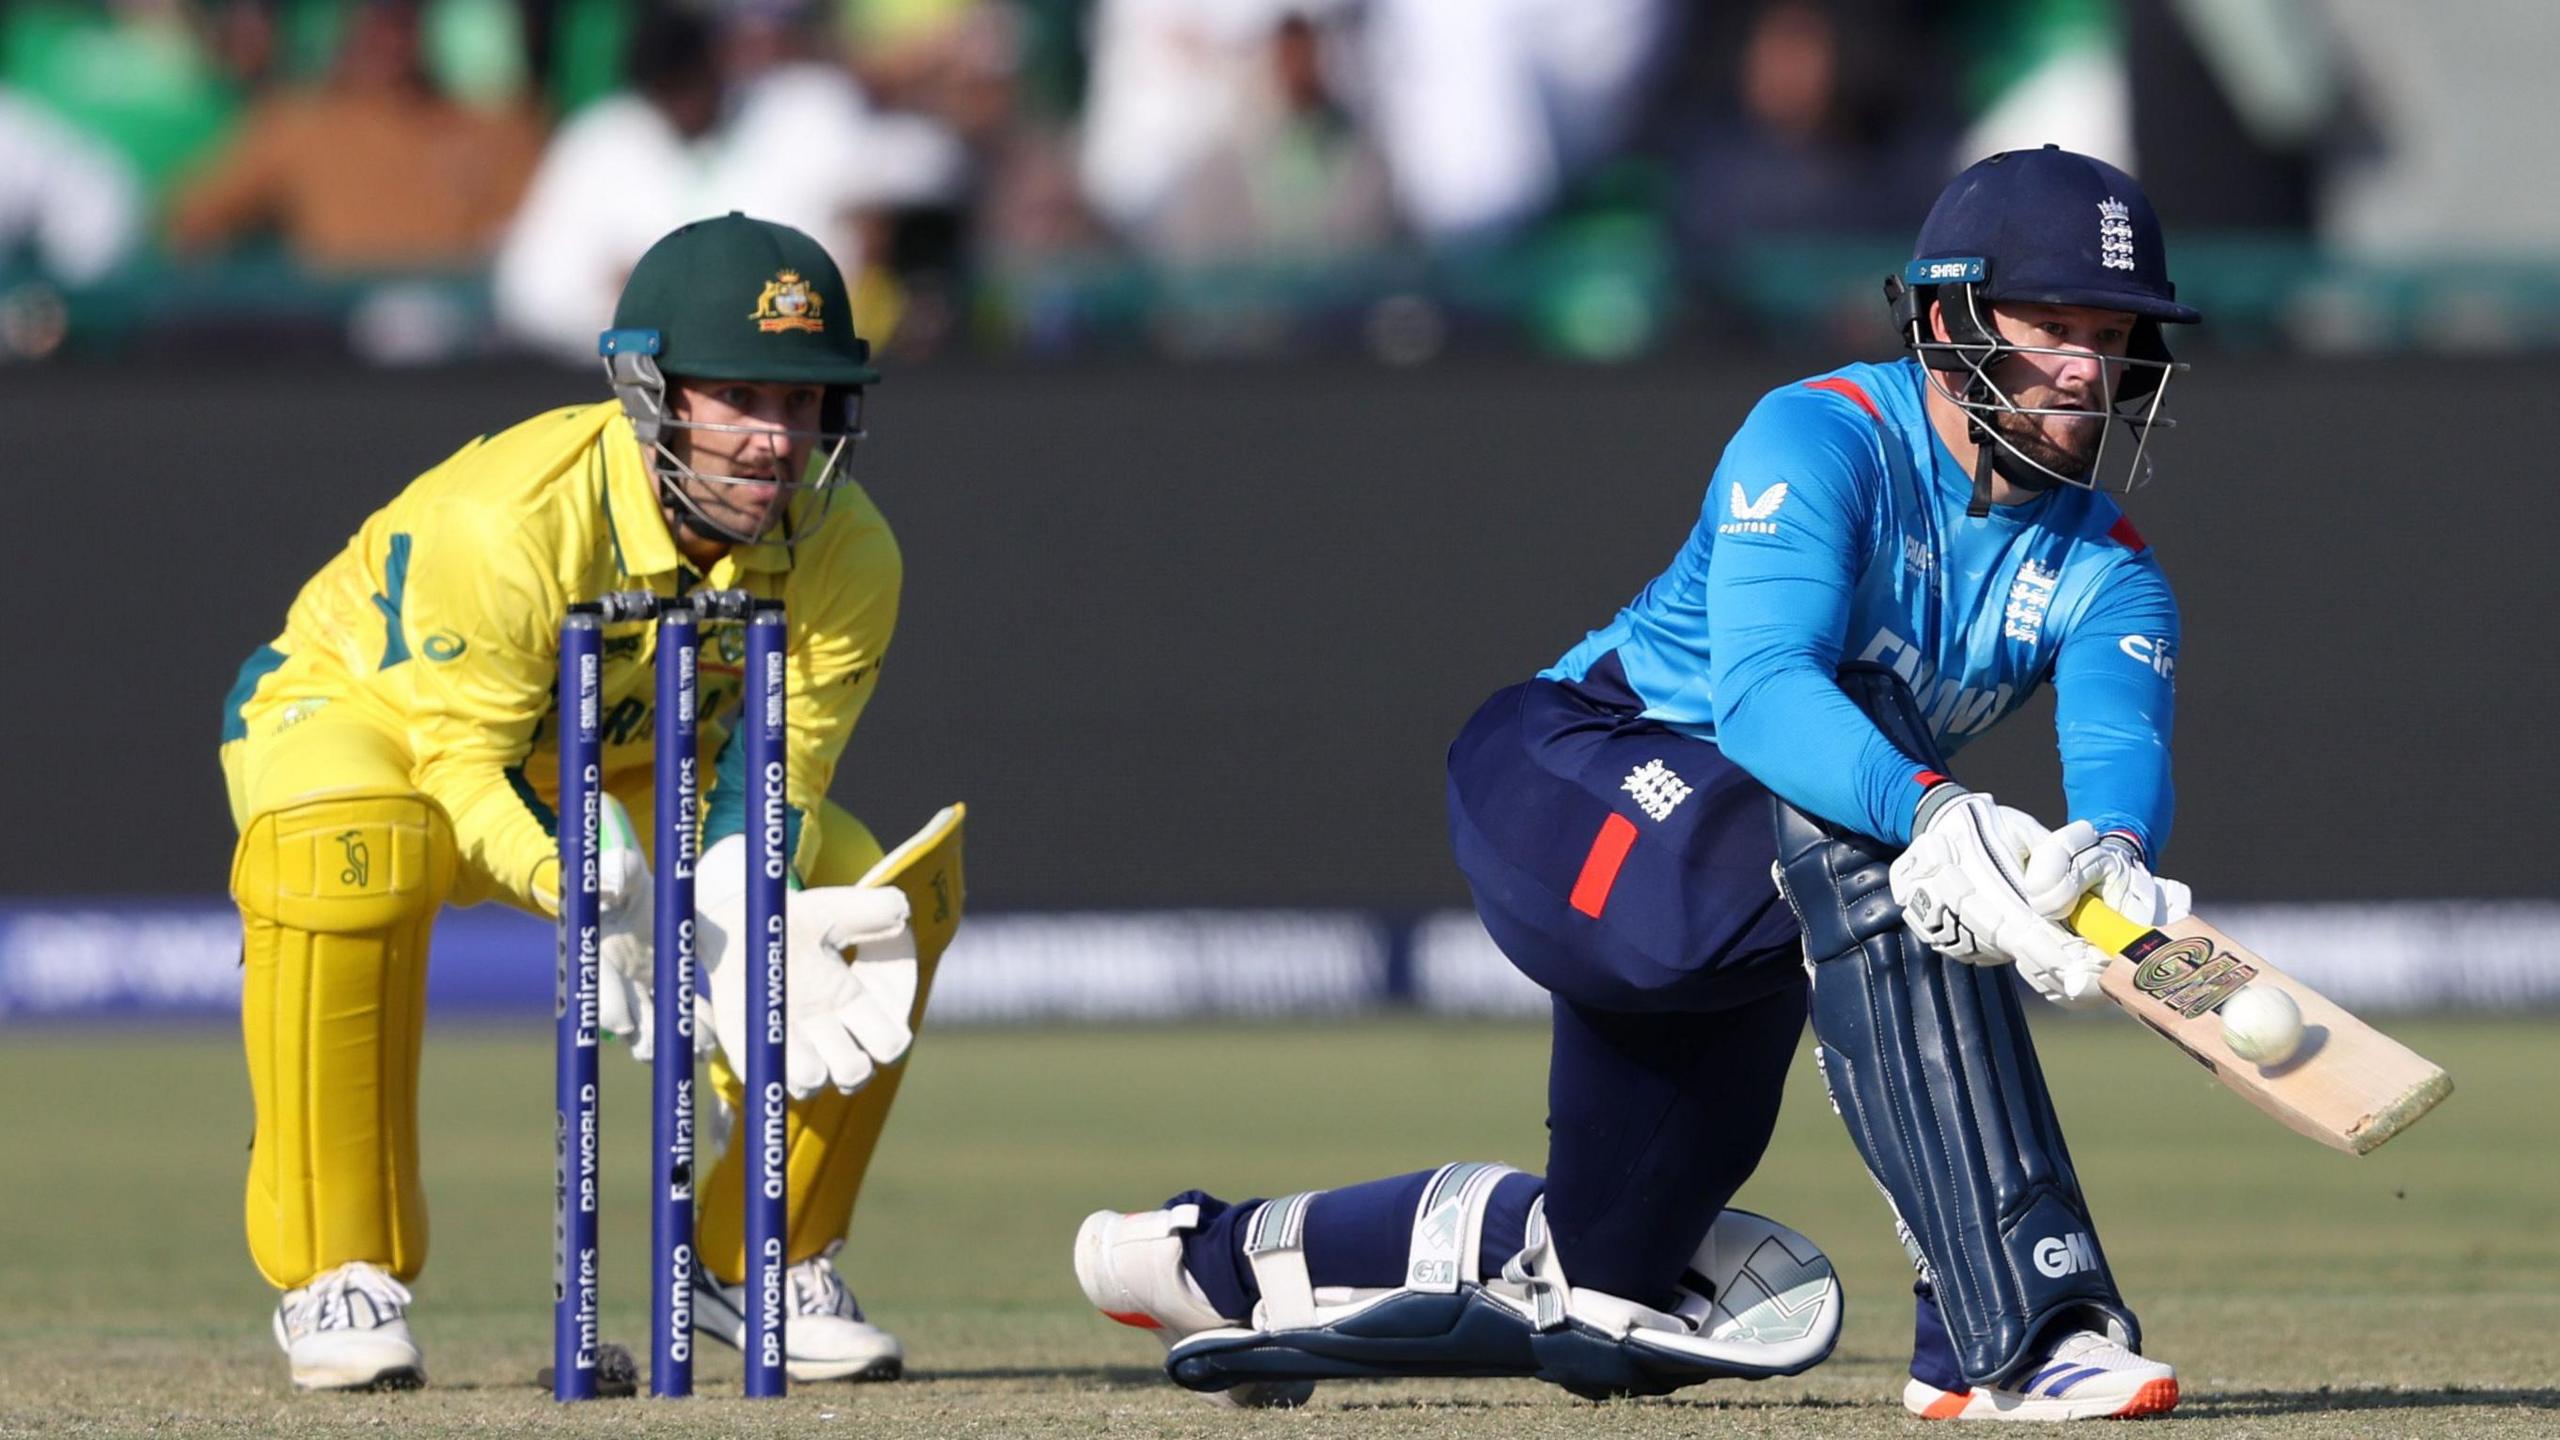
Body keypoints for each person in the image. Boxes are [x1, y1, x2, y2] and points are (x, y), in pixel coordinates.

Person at [1075, 145, 2198, 1422]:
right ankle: (2012, 1324)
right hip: (1579, 776)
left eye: (2111, 336)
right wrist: (1942, 819)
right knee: (1894, 849)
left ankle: (1207, 1258)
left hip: (1757, 883)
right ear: (1944, 319)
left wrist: (2102, 865)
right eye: (2051, 326)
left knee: (1602, 1275)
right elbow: (1771, 696)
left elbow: (2116, 759)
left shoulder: (2111, 568)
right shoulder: (1826, 434)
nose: (2084, 371)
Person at [220, 212, 964, 1392]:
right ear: (647, 391)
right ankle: (337, 1273)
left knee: (871, 896)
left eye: (804, 404)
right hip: (374, 724)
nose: (776, 443)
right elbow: (461, 766)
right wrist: (595, 888)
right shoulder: (511, 523)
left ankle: (761, 1261)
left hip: (613, 756)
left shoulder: (847, 550)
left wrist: (730, 901)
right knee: (351, 842)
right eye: (740, 399)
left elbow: (782, 771)